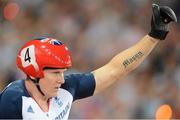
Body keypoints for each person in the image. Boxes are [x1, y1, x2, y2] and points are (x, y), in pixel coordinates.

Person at [0, 4, 177, 119]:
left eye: (62, 71)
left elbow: (115, 70)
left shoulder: (67, 88)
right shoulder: (13, 100)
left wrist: (153, 37)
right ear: (35, 74)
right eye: (55, 73)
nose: (62, 79)